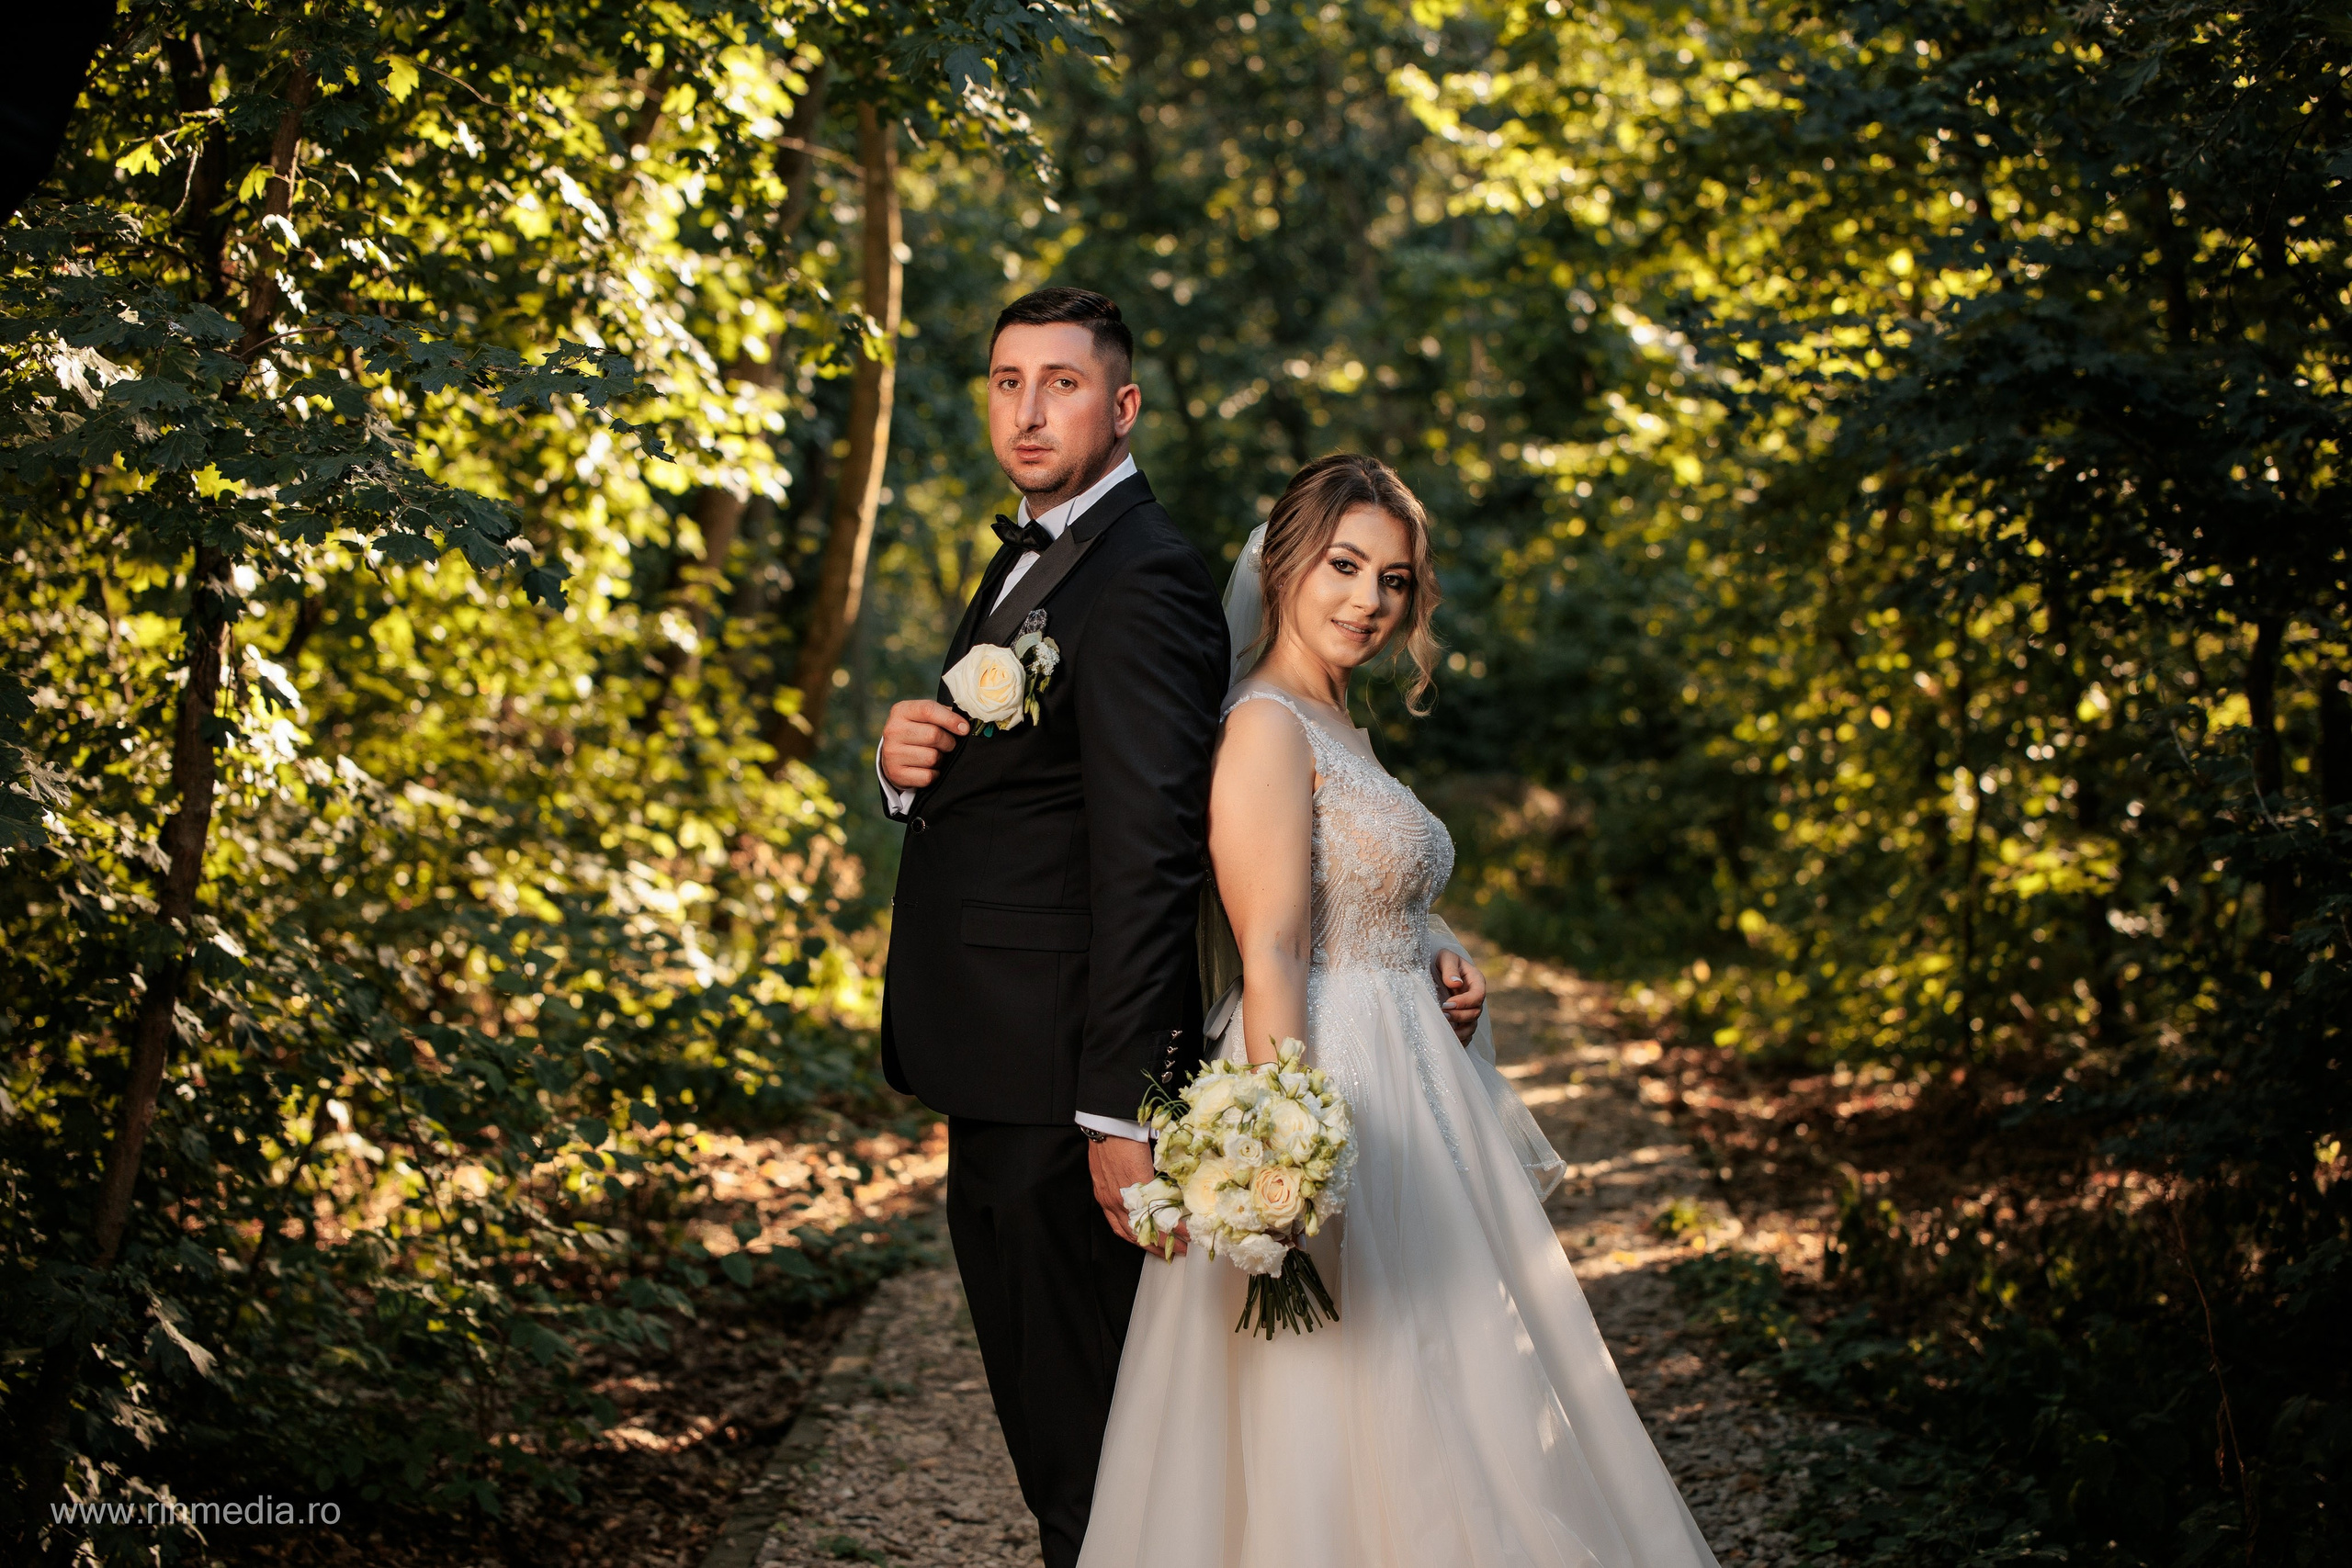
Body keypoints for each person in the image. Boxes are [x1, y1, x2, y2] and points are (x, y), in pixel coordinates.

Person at [1077, 454, 1723, 1568]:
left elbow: (1366, 897)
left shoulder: (1340, 727)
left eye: (1394, 579)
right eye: (1343, 566)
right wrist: (1282, 1156)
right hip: (1327, 1081)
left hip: (1416, 1091)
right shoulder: (1266, 727)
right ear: (1281, 563)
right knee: (1342, 1389)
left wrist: (1438, 948)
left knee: (1459, 1380)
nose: (1368, 601)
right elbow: (1271, 947)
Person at [872, 287, 1229, 1568]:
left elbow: (1152, 858)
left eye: (1062, 382)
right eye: (1008, 379)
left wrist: (1121, 1110)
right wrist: (906, 763)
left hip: (1067, 1082)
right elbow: (1031, 790)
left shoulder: (1144, 579)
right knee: (1060, 1423)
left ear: (1121, 405)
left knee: (1087, 1441)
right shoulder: (1040, 547)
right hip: (1003, 1063)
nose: (1029, 408)